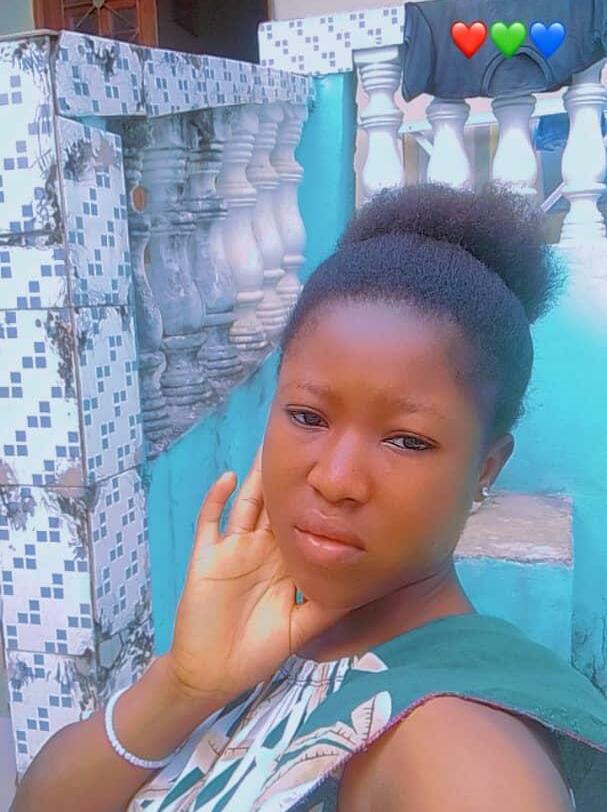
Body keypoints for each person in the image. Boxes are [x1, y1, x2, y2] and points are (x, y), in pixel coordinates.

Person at [11, 184, 607, 812]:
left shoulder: (457, 749)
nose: (336, 479)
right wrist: (182, 686)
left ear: (486, 468)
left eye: (407, 440)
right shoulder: (257, 643)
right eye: (307, 416)